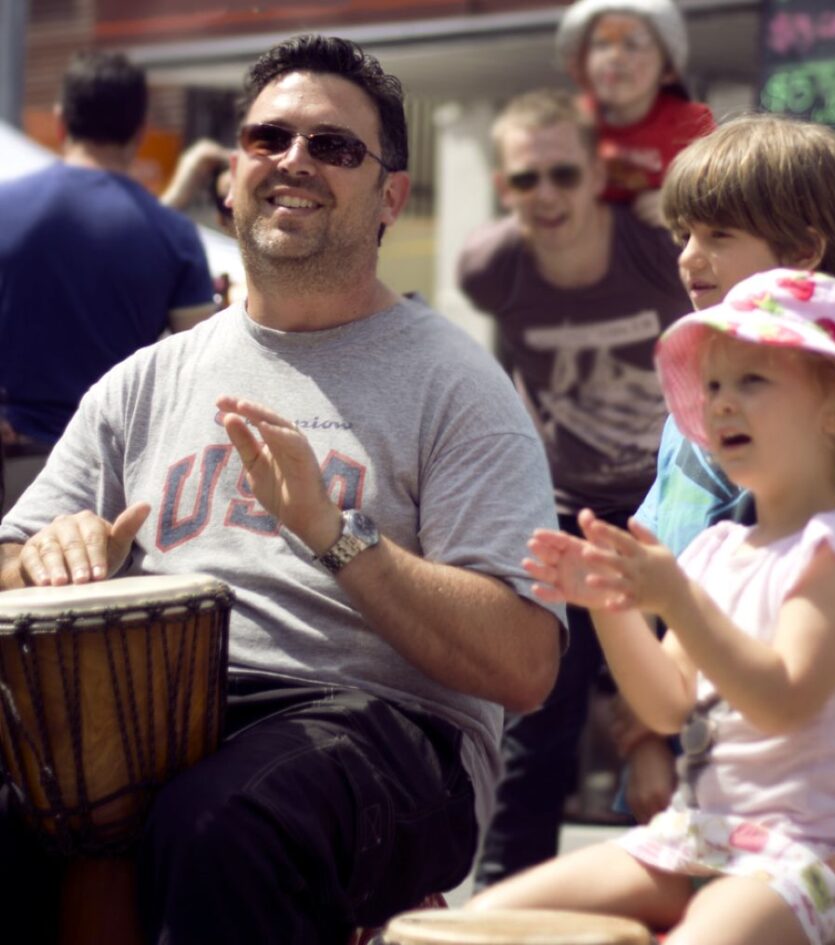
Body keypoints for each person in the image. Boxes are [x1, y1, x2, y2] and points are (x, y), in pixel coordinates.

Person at [0, 34, 562, 945]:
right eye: (269, 139)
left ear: (391, 197)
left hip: (383, 733)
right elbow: (10, 555)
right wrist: (47, 560)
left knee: (224, 820)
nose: (294, 160)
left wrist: (337, 536)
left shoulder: (459, 384)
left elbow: (527, 660)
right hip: (152, 718)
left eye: (334, 146)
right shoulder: (143, 380)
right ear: (231, 179)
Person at [470, 268, 835, 945]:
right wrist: (612, 606)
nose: (722, 404)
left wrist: (675, 597)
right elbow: (667, 704)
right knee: (483, 925)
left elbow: (782, 698)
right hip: (696, 838)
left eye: (751, 381)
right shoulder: (717, 547)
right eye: (712, 385)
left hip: (814, 854)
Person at [613, 113, 835, 824]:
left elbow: (782, 623)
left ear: (802, 251)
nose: (688, 257)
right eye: (683, 235)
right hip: (692, 716)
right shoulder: (699, 414)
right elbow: (664, 572)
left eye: (717, 236)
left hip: (775, 774)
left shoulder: (831, 411)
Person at [457, 88, 690, 887]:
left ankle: (706, 884)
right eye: (526, 180)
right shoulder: (492, 268)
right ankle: (503, 896)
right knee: (539, 716)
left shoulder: (653, 247)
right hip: (564, 506)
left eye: (564, 174)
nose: (546, 196)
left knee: (693, 707)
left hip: (674, 503)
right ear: (502, 186)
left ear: (597, 175)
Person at [0, 51, 216, 456]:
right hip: (107, 467)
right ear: (141, 131)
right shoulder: (175, 235)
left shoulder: (4, 206)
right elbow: (197, 369)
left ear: (62, 121)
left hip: (10, 457)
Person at [555, 0, 714, 222]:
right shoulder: (569, 122)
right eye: (601, 44)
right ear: (580, 65)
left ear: (668, 68)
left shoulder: (693, 124)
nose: (615, 57)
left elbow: (718, 197)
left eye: (633, 45)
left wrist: (680, 204)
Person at [161, 137, 235, 234]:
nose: (231, 201)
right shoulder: (199, 243)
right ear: (220, 218)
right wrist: (177, 196)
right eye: (228, 209)